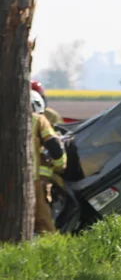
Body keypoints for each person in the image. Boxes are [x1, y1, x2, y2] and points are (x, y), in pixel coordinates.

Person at [30, 90, 67, 234]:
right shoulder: (38, 120)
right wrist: (60, 166)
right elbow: (54, 146)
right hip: (34, 182)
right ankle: (48, 253)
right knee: (44, 226)